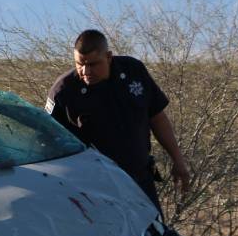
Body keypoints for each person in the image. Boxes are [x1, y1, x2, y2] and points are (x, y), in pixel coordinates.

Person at [45, 29, 190, 211]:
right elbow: (48, 140)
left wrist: (178, 160)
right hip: (94, 190)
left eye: (93, 64)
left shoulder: (133, 71)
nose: (86, 71)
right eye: (79, 64)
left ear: (109, 57)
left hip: (140, 180)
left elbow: (157, 117)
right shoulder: (63, 92)